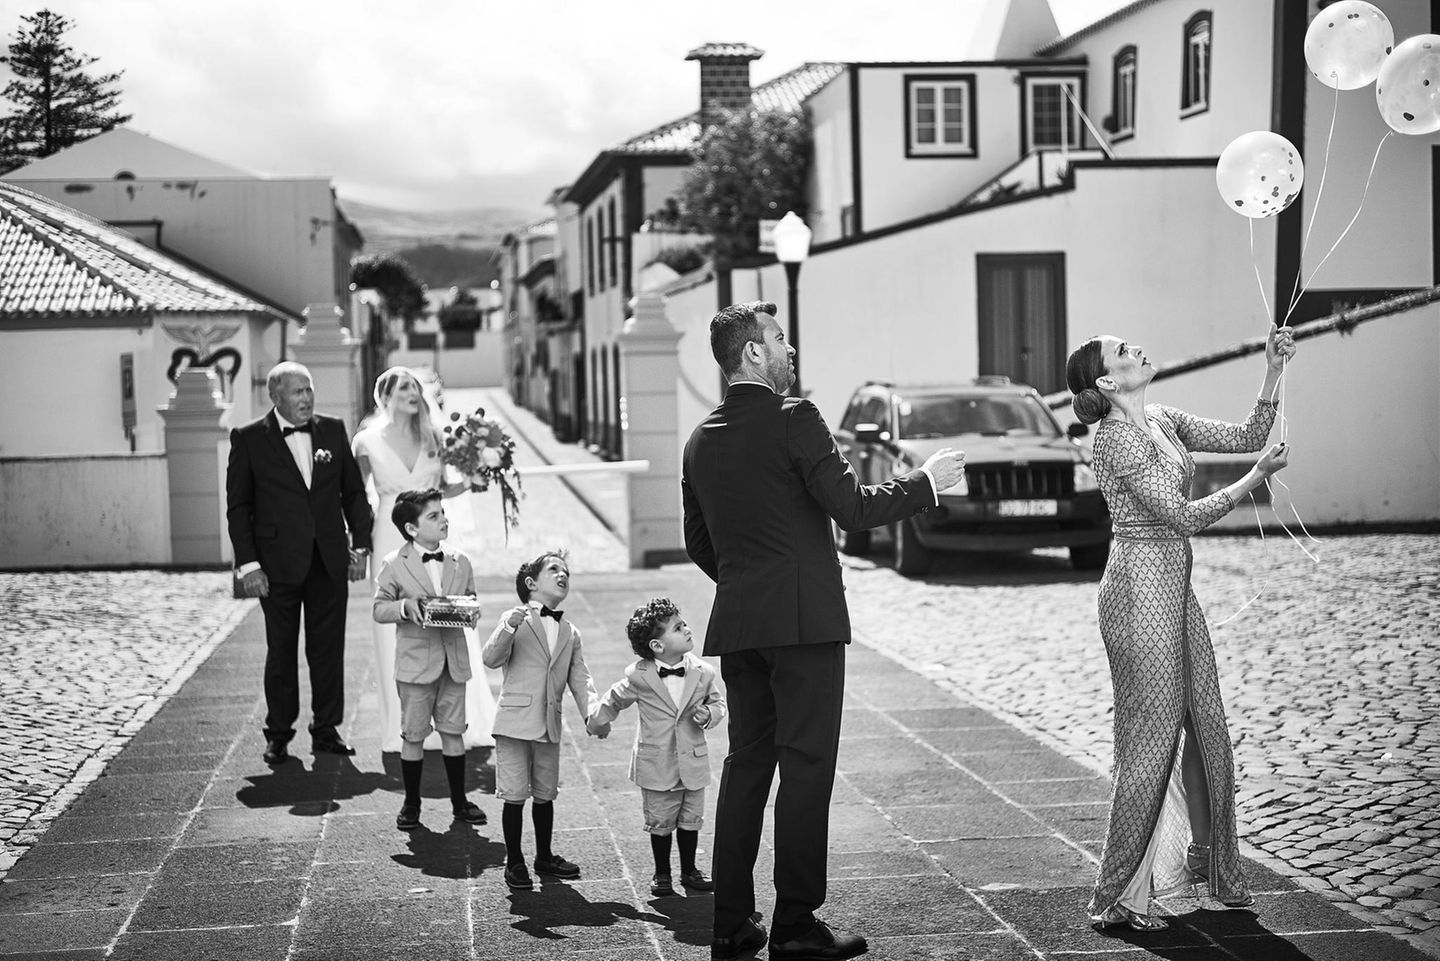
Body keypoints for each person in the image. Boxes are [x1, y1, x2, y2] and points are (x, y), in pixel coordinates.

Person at [681, 301, 968, 961]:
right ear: (751, 353)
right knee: (807, 768)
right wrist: (924, 483)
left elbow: (699, 541)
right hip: (805, 624)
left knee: (746, 764)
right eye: (778, 340)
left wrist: (748, 581)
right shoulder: (796, 417)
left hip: (740, 623)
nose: (789, 352)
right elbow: (850, 508)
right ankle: (795, 924)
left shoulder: (700, 439)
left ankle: (729, 923)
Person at [1064, 325, 1296, 930]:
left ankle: (1209, 862)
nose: (1136, 348)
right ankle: (1119, 894)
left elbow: (1246, 436)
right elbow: (1179, 515)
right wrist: (1254, 482)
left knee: (1208, 723)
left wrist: (1272, 371)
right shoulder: (1112, 441)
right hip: (1138, 595)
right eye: (1122, 352)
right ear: (1108, 381)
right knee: (1151, 740)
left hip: (1176, 591)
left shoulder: (1163, 418)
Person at [226, 361, 373, 763]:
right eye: (297, 392)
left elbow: (353, 494)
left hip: (328, 559)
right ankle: (278, 733)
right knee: (281, 650)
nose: (307, 398)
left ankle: (327, 729)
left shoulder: (332, 429)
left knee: (328, 650)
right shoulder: (248, 438)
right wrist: (249, 566)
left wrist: (360, 547)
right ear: (275, 397)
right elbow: (238, 509)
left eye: (309, 390)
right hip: (275, 567)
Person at [352, 366, 497, 754]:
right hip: (388, 533)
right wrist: (356, 545)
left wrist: (473, 481)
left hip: (435, 535)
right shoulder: (365, 442)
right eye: (403, 388)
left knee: (449, 621)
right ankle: (402, 725)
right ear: (385, 396)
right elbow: (353, 496)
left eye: (415, 387)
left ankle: (455, 720)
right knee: (396, 628)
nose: (412, 394)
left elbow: (443, 488)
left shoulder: (434, 435)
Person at [586, 597, 726, 898]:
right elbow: (613, 699)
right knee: (661, 822)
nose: (687, 629)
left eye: (684, 623)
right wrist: (598, 722)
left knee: (691, 820)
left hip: (692, 760)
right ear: (657, 647)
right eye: (678, 628)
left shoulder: (703, 672)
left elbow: (718, 703)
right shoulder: (639, 676)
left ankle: (689, 869)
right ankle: (662, 873)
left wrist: (710, 715)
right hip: (657, 762)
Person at [482, 550, 601, 892]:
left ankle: (544, 855)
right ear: (531, 584)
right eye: (554, 569)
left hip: (549, 721)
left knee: (546, 793)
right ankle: (515, 860)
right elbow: (490, 658)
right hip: (514, 722)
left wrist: (592, 713)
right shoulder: (515, 619)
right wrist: (507, 626)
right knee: (515, 793)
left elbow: (581, 678)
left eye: (567, 571)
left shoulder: (570, 631)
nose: (563, 575)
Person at [371, 488, 488, 831]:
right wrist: (405, 608)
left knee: (454, 732)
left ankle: (459, 802)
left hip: (453, 662)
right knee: (413, 735)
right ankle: (411, 803)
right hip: (415, 665)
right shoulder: (394, 563)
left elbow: (471, 599)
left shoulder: (460, 561)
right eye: (433, 516)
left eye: (443, 513)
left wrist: (469, 611)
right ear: (411, 528)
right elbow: (379, 609)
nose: (443, 520)